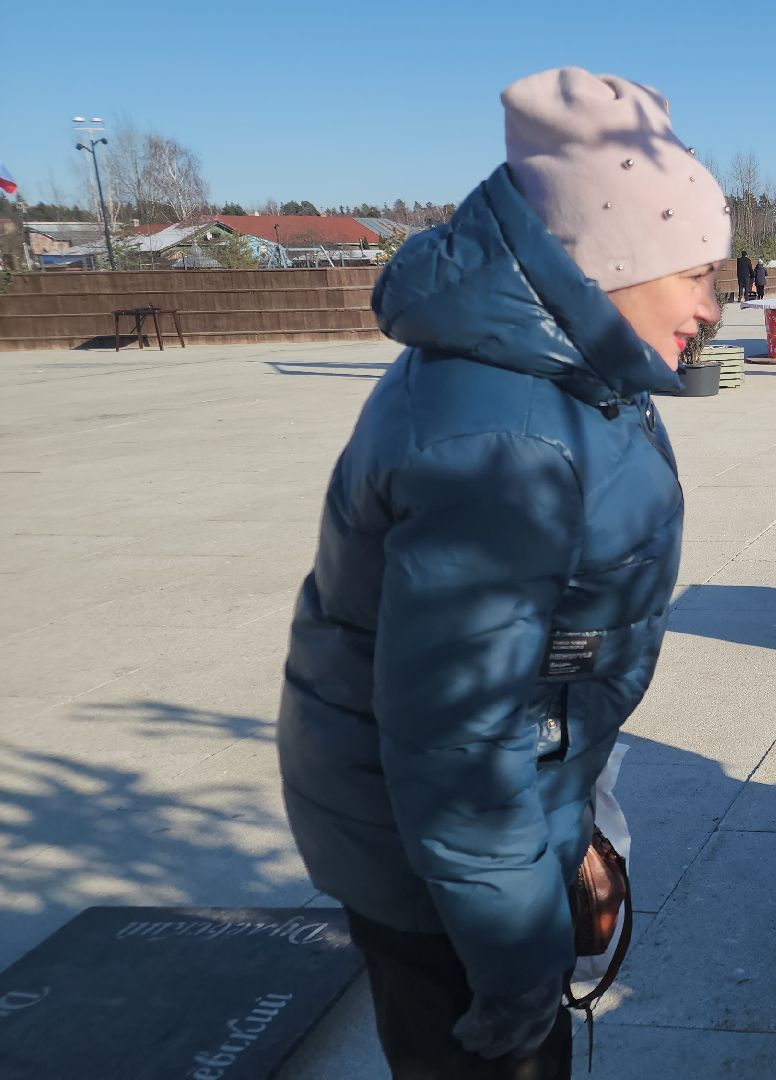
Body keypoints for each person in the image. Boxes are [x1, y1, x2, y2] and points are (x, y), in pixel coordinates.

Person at [277, 67, 726, 1080]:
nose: (710, 307)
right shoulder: (500, 439)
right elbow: (459, 751)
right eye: (695, 272)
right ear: (611, 258)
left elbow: (532, 686)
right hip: (434, 876)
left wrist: (571, 829)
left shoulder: (561, 366)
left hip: (474, 846)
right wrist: (519, 964)